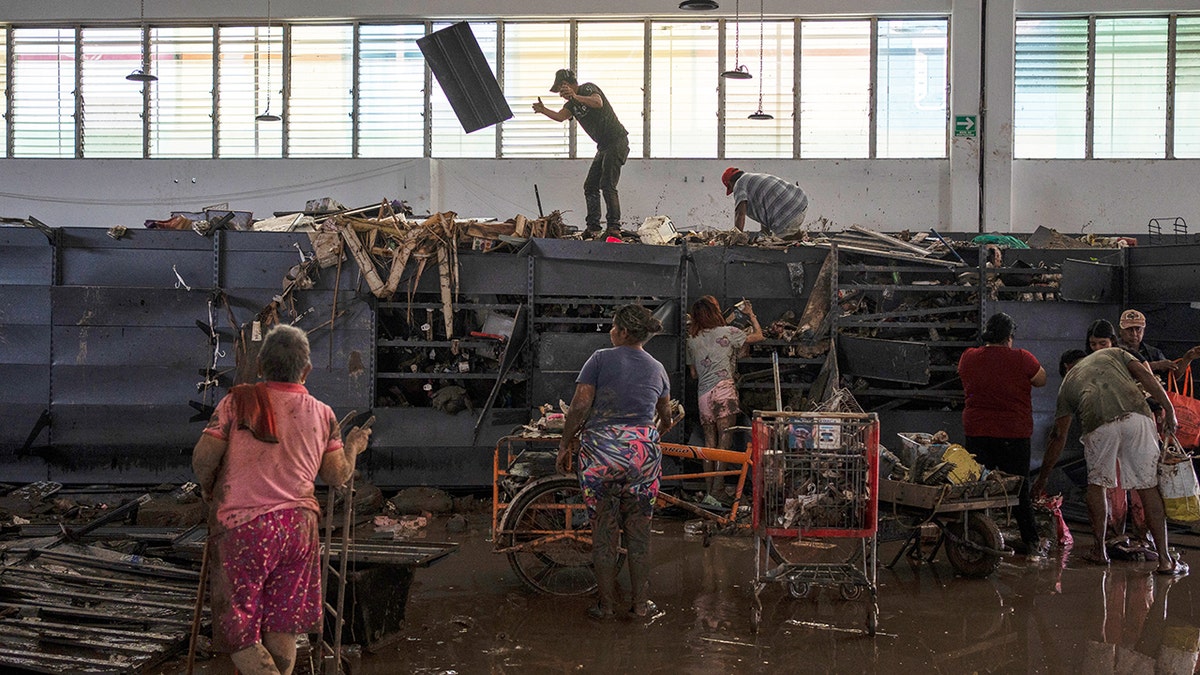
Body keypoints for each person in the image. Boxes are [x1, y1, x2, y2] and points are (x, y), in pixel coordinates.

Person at [192, 325, 373, 675]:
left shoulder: (236, 402)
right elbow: (337, 475)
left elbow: (203, 459)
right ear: (306, 371)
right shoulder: (324, 414)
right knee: (282, 623)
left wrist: (208, 488)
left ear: (260, 366)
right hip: (298, 530)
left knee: (240, 632)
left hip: (244, 527)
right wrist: (353, 447)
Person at [556, 304, 674, 620]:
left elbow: (580, 405)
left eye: (613, 325)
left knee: (604, 532)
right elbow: (666, 417)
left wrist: (565, 443)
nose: (611, 330)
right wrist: (651, 434)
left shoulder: (599, 359)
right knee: (639, 533)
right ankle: (640, 606)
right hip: (643, 457)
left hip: (601, 455)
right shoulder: (657, 368)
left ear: (622, 331)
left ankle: (605, 607)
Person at [1032, 347, 1185, 574]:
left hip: (1098, 424)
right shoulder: (1113, 353)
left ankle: (1099, 551)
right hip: (1137, 417)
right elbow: (1145, 375)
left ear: (1067, 370)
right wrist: (1169, 409)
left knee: (1098, 484)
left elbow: (1058, 436)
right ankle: (1165, 560)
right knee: (1148, 487)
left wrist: (1042, 478)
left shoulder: (1066, 386)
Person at [956, 312, 1048, 557]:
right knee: (1019, 490)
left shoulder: (968, 357)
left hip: (977, 433)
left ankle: (973, 538)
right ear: (1009, 337)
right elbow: (1041, 380)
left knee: (976, 489)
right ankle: (1032, 543)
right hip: (1013, 434)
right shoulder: (1022, 358)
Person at [533, 69, 630, 239]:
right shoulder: (571, 105)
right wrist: (543, 110)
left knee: (607, 185)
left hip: (617, 141)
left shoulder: (587, 89)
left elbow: (598, 102)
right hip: (603, 146)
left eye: (562, 89)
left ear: (568, 84)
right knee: (590, 186)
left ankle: (614, 227)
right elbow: (560, 116)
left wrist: (575, 96)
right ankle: (593, 227)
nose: (561, 94)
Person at [1086, 317, 1153, 560]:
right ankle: (1115, 535)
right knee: (1112, 485)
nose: (1097, 348)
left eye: (1102, 343)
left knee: (1138, 484)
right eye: (1093, 344)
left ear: (1112, 341)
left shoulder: (1130, 358)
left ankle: (1143, 536)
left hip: (1134, 427)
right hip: (1107, 427)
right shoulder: (1089, 364)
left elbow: (1151, 385)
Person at [686, 296, 764, 498]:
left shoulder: (691, 340)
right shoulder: (728, 332)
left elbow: (693, 374)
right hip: (724, 391)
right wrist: (751, 315)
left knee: (709, 443)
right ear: (714, 313)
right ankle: (718, 489)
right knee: (725, 440)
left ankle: (709, 491)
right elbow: (759, 336)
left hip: (703, 394)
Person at [720, 167, 810, 240]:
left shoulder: (738, 185)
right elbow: (764, 208)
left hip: (787, 216)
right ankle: (798, 236)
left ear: (730, 183)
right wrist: (764, 233)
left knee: (780, 243)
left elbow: (740, 213)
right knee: (789, 235)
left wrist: (736, 236)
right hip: (800, 202)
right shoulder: (752, 177)